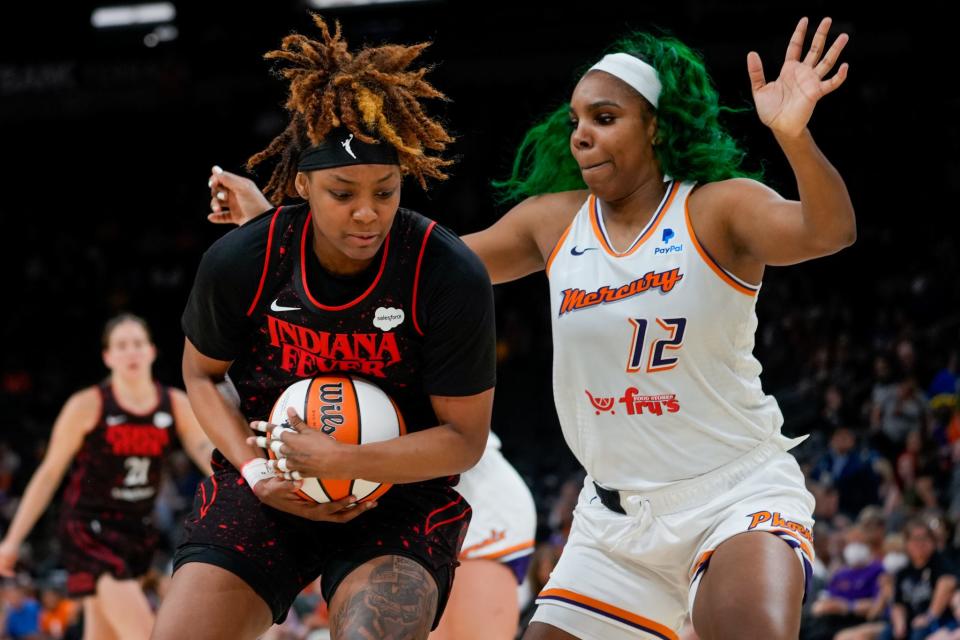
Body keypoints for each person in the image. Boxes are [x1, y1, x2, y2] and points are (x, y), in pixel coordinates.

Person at [214, 15, 855, 639]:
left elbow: (829, 232)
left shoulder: (718, 208)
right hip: (614, 521)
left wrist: (794, 137)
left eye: (605, 119)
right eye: (575, 121)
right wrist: (275, 220)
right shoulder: (553, 222)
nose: (581, 135)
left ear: (657, 128)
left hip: (732, 496)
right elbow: (401, 273)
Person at [152, 16, 496, 640]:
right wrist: (258, 473)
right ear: (302, 186)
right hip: (268, 481)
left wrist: (345, 458)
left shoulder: (446, 272)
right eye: (342, 193)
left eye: (385, 192)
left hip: (398, 496)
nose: (367, 213)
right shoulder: (243, 259)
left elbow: (464, 440)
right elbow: (199, 375)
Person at [207, 168, 537, 640]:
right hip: (365, 498)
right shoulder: (302, 274)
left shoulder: (434, 269)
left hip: (468, 491)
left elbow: (404, 269)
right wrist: (265, 227)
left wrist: (264, 220)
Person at [0, 313, 213, 640]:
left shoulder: (174, 404)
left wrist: (254, 481)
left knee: (104, 635)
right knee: (144, 633)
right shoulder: (88, 405)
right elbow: (49, 474)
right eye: (122, 345)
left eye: (138, 344)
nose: (132, 352)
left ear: (152, 351)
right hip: (90, 529)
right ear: (108, 356)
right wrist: (13, 541)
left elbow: (207, 453)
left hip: (137, 529)